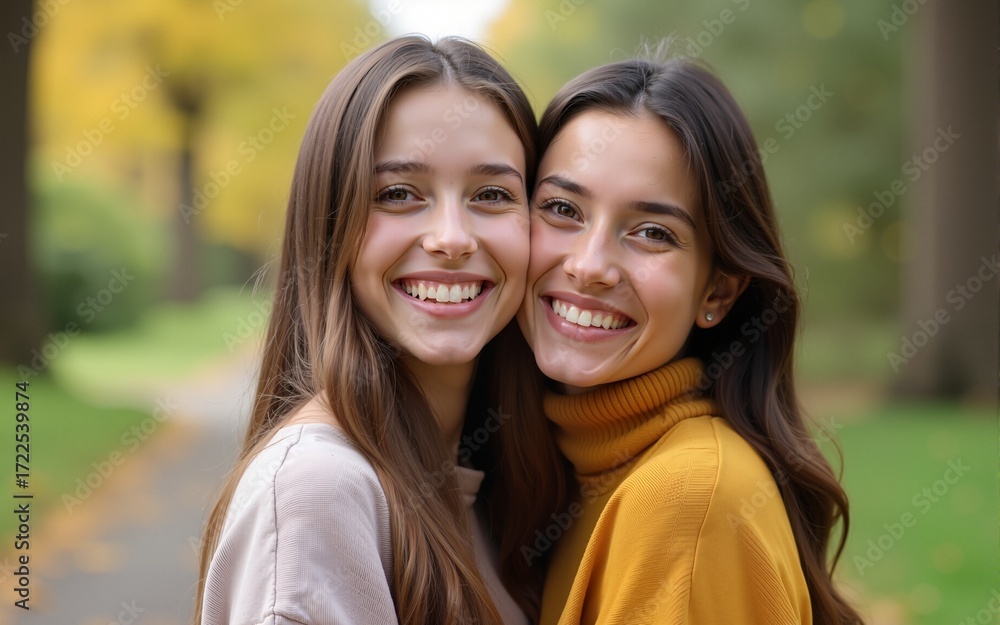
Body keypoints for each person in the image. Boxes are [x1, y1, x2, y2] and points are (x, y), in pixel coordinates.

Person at [194, 35, 565, 625]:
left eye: (492, 194)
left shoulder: (490, 484)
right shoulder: (317, 489)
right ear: (329, 226)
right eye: (398, 194)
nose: (451, 238)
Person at [517, 50, 864, 625]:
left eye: (652, 232)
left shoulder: (686, 498)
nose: (589, 265)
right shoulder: (565, 478)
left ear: (717, 293)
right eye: (561, 208)